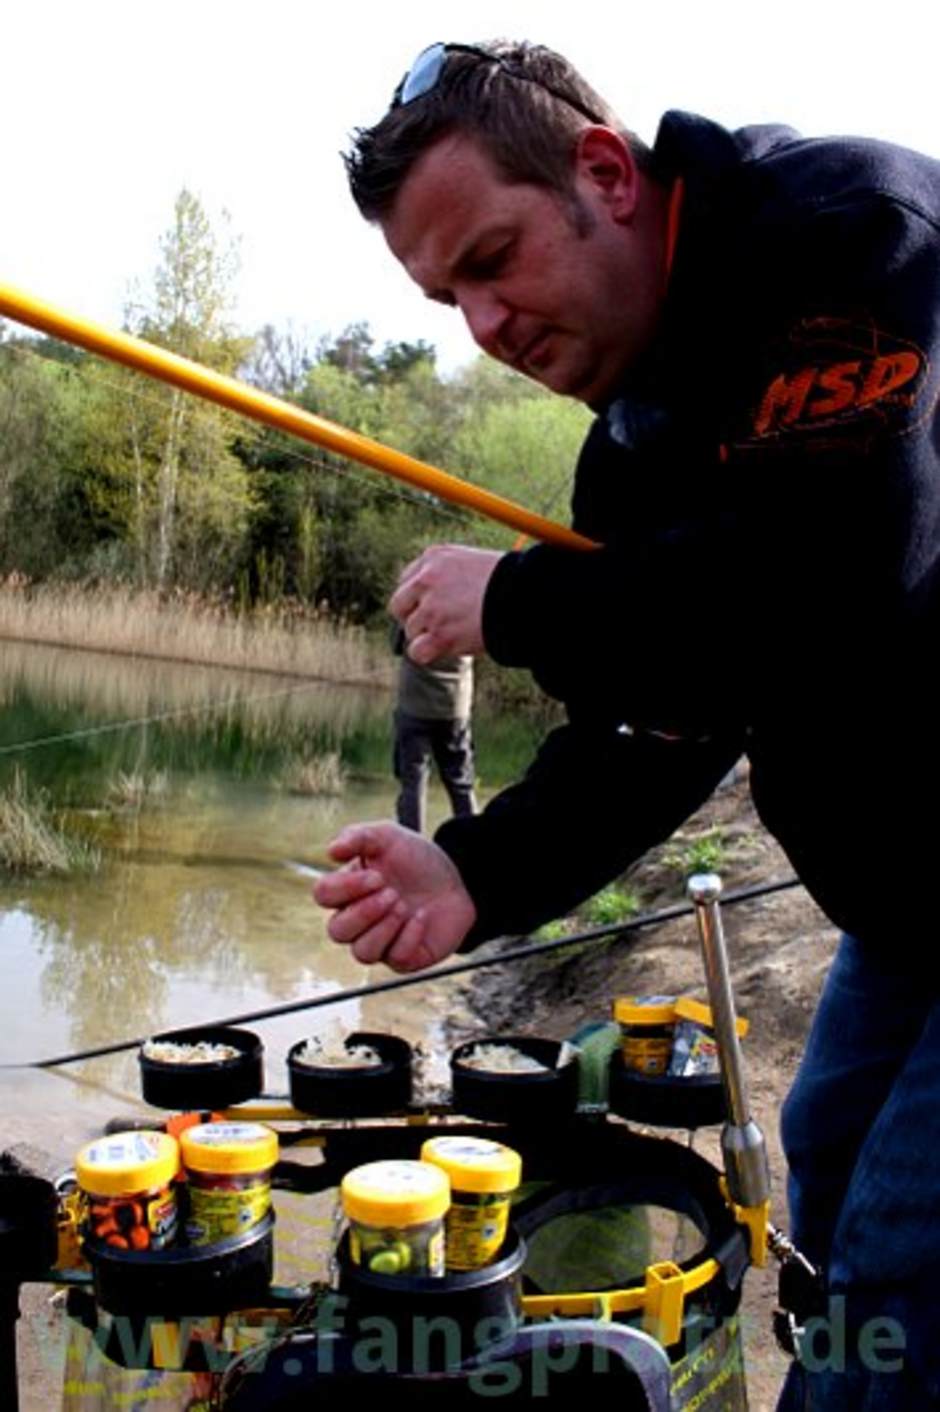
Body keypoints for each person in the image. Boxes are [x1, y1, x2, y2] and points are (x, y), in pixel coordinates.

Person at [313, 39, 940, 1409]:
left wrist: (523, 600)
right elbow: (666, 712)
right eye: (446, 298)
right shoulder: (632, 441)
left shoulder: (853, 237)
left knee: (910, 1264)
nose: (482, 324)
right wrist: (475, 872)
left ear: (604, 169)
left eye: (493, 259)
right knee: (828, 1192)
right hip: (910, 910)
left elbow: (836, 573)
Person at [391, 622, 477, 833]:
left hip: (414, 707)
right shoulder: (465, 608)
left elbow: (395, 644)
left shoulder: (420, 601)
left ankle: (411, 850)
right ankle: (477, 850)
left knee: (413, 782)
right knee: (461, 783)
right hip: (455, 707)